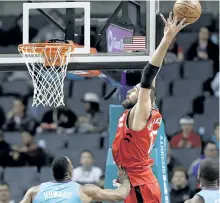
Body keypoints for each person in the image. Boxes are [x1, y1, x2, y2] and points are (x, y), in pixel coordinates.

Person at [112, 12, 189, 203]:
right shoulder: (143, 111)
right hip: (138, 181)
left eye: (136, 90)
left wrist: (167, 38)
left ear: (146, 98)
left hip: (140, 185)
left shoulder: (141, 113)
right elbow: (151, 79)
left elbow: (147, 77)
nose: (131, 90)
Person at [20, 156, 130, 203]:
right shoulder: (85, 190)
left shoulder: (34, 191)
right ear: (70, 171)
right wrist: (125, 180)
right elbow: (119, 196)